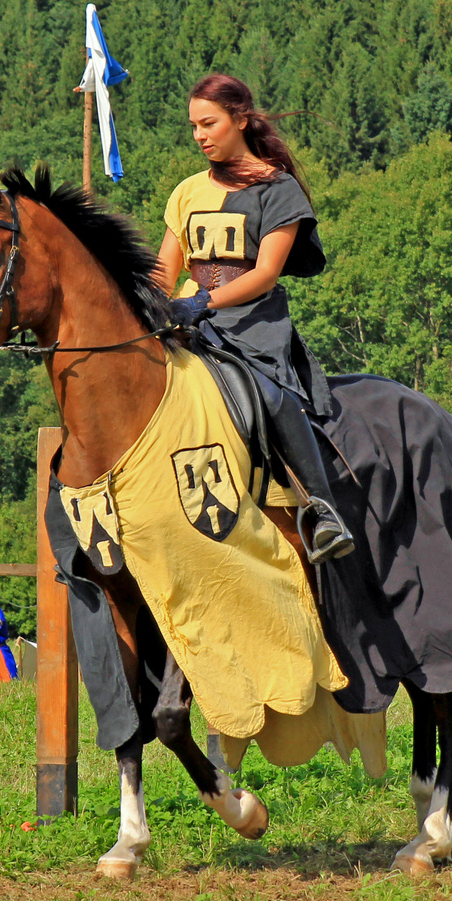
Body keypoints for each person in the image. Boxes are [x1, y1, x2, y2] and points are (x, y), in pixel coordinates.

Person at [154, 74, 355, 564]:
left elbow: (265, 273)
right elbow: (165, 270)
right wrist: (149, 307)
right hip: (187, 323)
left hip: (251, 324)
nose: (200, 135)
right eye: (194, 126)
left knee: (270, 394)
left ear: (239, 119)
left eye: (209, 123)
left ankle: (323, 510)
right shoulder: (186, 192)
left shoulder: (277, 189)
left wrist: (204, 302)